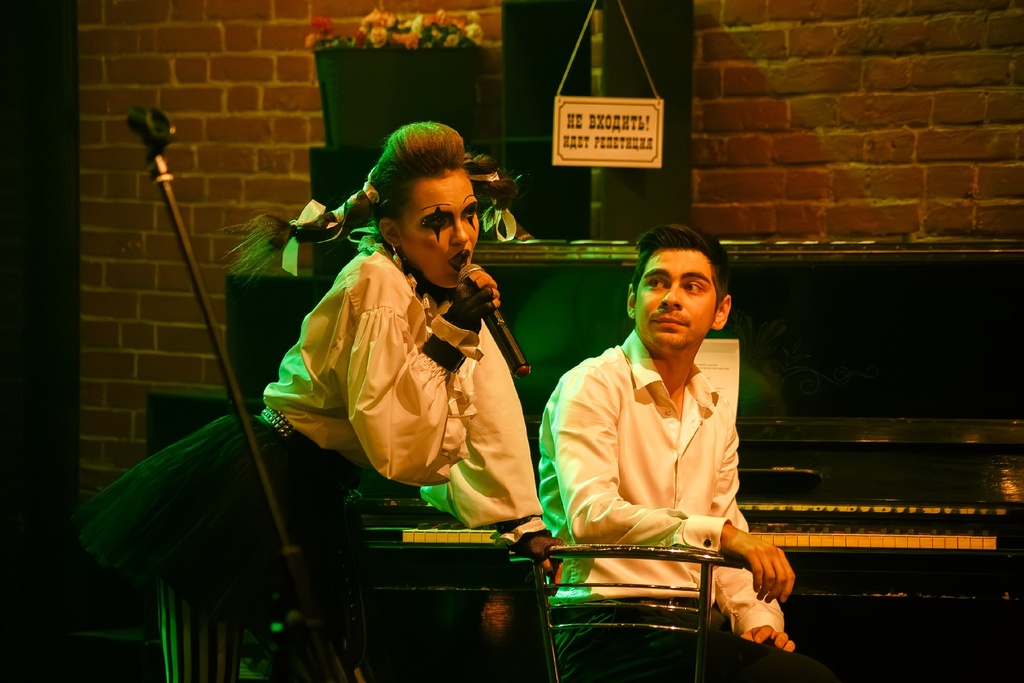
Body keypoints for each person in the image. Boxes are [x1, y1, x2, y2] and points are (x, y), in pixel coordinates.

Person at [72, 121, 561, 683]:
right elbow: (393, 441)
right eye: (436, 221)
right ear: (392, 232)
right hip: (248, 487)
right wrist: (449, 338)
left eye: (469, 214)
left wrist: (522, 521)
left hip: (315, 493)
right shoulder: (377, 283)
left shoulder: (443, 293)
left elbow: (488, 400)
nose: (461, 237)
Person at [536, 224, 840, 682]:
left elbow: (726, 536)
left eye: (692, 286)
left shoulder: (714, 407)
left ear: (721, 311)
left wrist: (757, 621)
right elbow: (591, 515)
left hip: (691, 625)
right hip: (606, 623)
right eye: (657, 282)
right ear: (632, 300)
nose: (671, 298)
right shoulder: (591, 384)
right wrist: (722, 536)